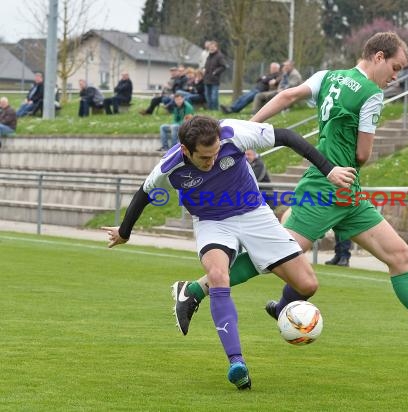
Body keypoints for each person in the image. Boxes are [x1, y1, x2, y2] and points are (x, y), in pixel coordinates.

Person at [177, 32, 408, 360]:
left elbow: (285, 97)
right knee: (273, 256)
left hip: (347, 193)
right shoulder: (371, 94)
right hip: (326, 188)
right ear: (378, 57)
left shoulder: (329, 76)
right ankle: (195, 289)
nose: (396, 76)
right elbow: (363, 155)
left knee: (399, 255)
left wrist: (246, 129)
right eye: (395, 67)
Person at [102, 115, 355, 390]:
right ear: (186, 150)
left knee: (307, 284)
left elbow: (285, 136)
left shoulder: (232, 133)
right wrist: (124, 232)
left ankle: (242, 301)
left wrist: (329, 170)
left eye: (215, 154)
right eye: (204, 158)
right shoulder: (169, 167)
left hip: (255, 214)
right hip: (212, 222)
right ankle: (237, 362)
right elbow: (144, 194)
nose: (211, 162)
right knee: (218, 275)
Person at [203, 41, 228, 110]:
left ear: (216, 47)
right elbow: (206, 65)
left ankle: (215, 109)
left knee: (214, 96)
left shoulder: (219, 56)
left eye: (213, 47)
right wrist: (204, 70)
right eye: (210, 47)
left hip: (214, 79)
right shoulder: (209, 56)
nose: (211, 48)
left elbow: (224, 66)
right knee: (207, 96)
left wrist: (215, 72)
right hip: (207, 79)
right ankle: (210, 109)